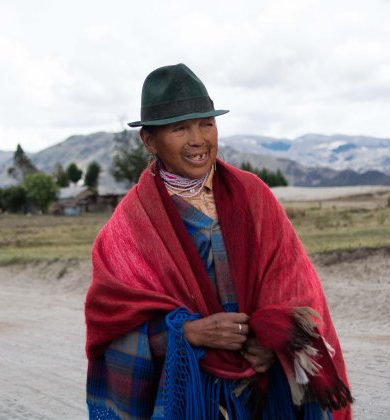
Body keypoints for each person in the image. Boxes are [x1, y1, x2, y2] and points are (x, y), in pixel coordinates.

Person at [85, 63, 352, 419]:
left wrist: (274, 342)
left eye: (206, 124)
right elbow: (112, 326)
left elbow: (294, 282)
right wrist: (185, 334)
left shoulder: (253, 195)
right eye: (180, 128)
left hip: (266, 388)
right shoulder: (127, 231)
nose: (198, 140)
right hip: (192, 396)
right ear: (149, 140)